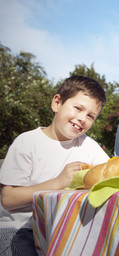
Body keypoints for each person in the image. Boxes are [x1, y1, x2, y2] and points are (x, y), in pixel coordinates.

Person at [0, 76, 110, 255]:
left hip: (63, 230)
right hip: (19, 230)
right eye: (77, 108)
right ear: (57, 103)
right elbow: (8, 199)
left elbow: (110, 173)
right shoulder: (27, 142)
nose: (82, 118)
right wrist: (58, 183)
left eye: (90, 116)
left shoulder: (89, 146)